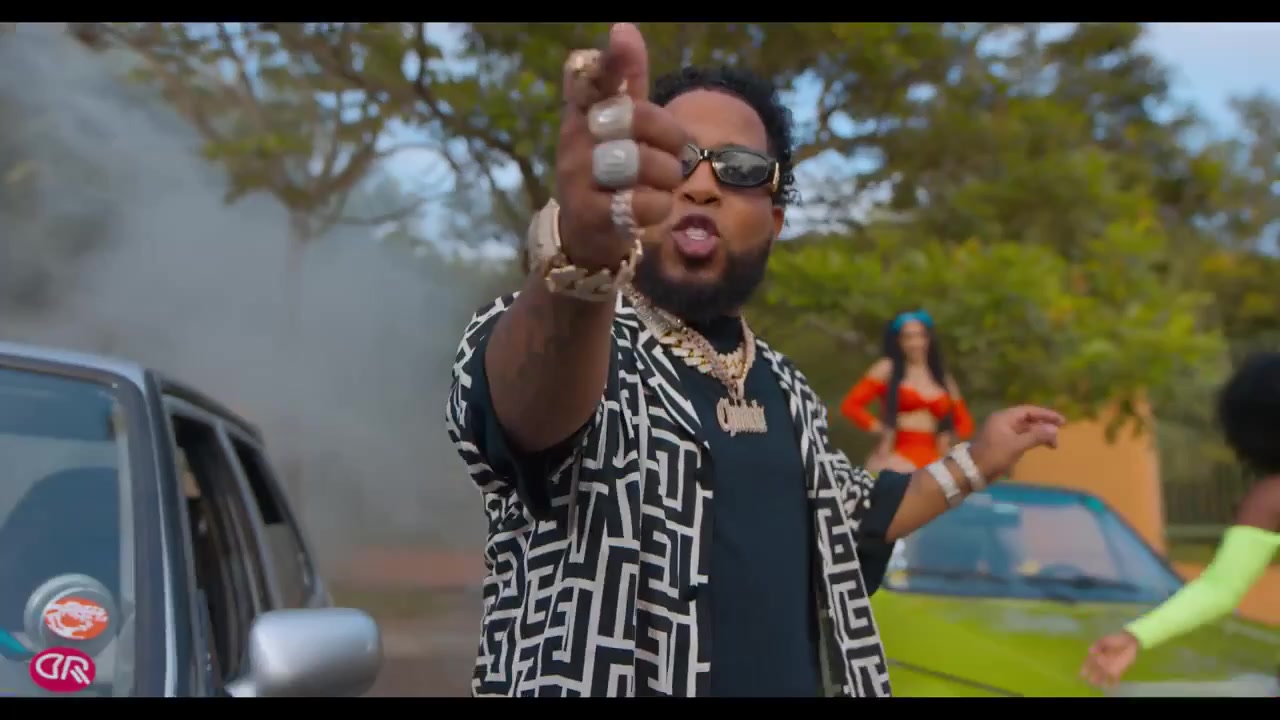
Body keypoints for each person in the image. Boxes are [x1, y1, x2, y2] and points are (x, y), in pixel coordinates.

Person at [444, 23, 1064, 698]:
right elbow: (531, 406)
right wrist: (584, 258)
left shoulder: (786, 387)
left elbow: (856, 519)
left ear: (774, 221)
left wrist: (980, 459)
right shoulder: (561, 336)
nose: (702, 185)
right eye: (676, 159)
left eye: (738, 169)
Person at [1081, 351, 1280, 689]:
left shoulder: (1271, 496)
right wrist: (1136, 635)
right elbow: (1219, 589)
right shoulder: (1272, 497)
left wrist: (1135, 636)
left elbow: (1219, 589)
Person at [840, 311, 975, 473]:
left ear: (929, 339)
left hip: (934, 455)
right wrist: (881, 429)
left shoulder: (942, 378)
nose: (915, 343)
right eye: (908, 337)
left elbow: (965, 423)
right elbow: (851, 406)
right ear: (898, 341)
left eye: (920, 336)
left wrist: (950, 437)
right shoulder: (887, 368)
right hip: (896, 452)